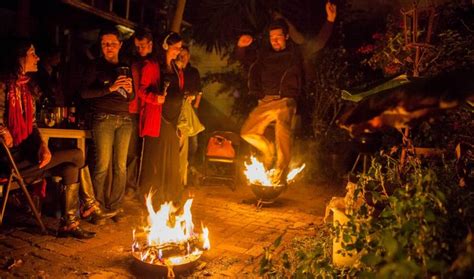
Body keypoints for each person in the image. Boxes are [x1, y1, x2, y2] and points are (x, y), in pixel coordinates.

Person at [0, 39, 115, 239]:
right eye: (32, 53)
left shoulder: (27, 88)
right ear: (19, 57)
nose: (37, 57)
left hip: (27, 152)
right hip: (10, 158)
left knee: (70, 168)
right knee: (78, 155)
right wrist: (2, 129)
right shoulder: (3, 85)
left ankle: (70, 223)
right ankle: (90, 205)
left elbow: (33, 125)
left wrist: (43, 145)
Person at [237, 2, 337, 185]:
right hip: (265, 101)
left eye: (278, 37)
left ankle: (280, 172)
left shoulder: (296, 53)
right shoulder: (264, 54)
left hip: (286, 100)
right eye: (271, 37)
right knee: (247, 132)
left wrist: (330, 20)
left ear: (287, 36)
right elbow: (246, 59)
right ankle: (267, 150)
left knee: (282, 130)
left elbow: (318, 43)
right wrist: (241, 47)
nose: (274, 40)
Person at [81, 27, 133, 218]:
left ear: (120, 45)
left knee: (120, 166)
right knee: (102, 164)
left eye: (112, 43)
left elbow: (130, 97)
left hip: (125, 119)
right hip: (103, 118)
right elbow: (84, 93)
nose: (108, 47)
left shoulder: (125, 67)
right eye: (104, 44)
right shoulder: (95, 66)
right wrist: (110, 88)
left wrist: (128, 90)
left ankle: (115, 206)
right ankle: (97, 207)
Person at [138, 32, 184, 206]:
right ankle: (153, 198)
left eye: (180, 47)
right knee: (156, 160)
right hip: (158, 120)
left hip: (172, 121)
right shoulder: (151, 65)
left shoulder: (176, 69)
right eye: (175, 47)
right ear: (165, 46)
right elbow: (141, 91)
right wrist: (154, 98)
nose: (178, 51)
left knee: (171, 160)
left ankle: (169, 197)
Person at [124, 30, 154, 199]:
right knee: (131, 151)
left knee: (146, 152)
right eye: (137, 46)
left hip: (149, 112)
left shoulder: (154, 64)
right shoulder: (133, 63)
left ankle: (141, 185)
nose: (140, 49)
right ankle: (129, 185)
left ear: (150, 44)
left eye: (142, 46)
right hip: (132, 111)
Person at [176, 46, 205, 186]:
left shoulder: (193, 72)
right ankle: (179, 171)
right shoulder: (176, 70)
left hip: (191, 109)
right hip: (179, 109)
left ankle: (190, 165)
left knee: (193, 142)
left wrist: (195, 107)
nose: (182, 57)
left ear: (189, 56)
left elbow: (199, 91)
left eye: (185, 55)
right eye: (180, 54)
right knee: (181, 140)